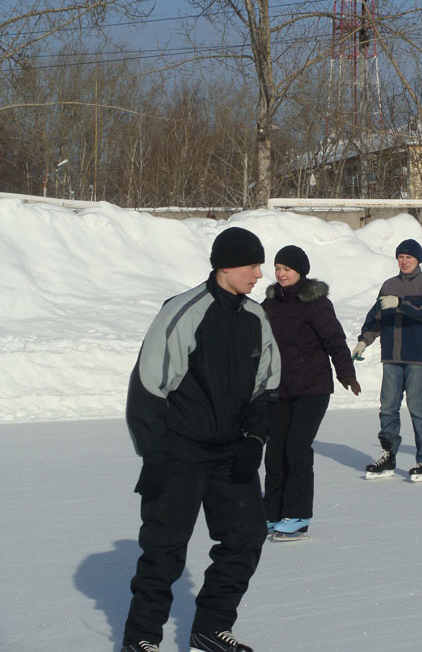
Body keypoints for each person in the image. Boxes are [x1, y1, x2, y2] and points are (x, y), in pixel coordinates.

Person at [121, 227, 281, 652]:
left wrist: (254, 440)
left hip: (231, 452)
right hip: (179, 451)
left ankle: (210, 628)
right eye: (252, 265)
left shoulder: (255, 317)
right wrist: (154, 458)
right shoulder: (185, 310)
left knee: (246, 537)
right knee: (164, 548)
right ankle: (141, 639)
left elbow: (267, 387)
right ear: (225, 266)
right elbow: (148, 387)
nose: (259, 274)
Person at [261, 245, 361, 539]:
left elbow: (334, 339)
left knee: (297, 448)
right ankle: (271, 514)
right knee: (275, 452)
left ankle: (298, 515)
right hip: (280, 388)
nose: (280, 274)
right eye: (277, 268)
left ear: (300, 271)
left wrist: (346, 373)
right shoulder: (269, 304)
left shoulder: (316, 303)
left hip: (313, 388)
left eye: (286, 269)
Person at [353, 238, 422, 483]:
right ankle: (388, 456)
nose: (404, 261)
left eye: (409, 258)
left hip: (418, 357)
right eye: (401, 257)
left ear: (418, 260)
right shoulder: (389, 285)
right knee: (388, 408)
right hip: (392, 356)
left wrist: (401, 303)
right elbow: (376, 316)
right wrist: (364, 340)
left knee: (417, 408)